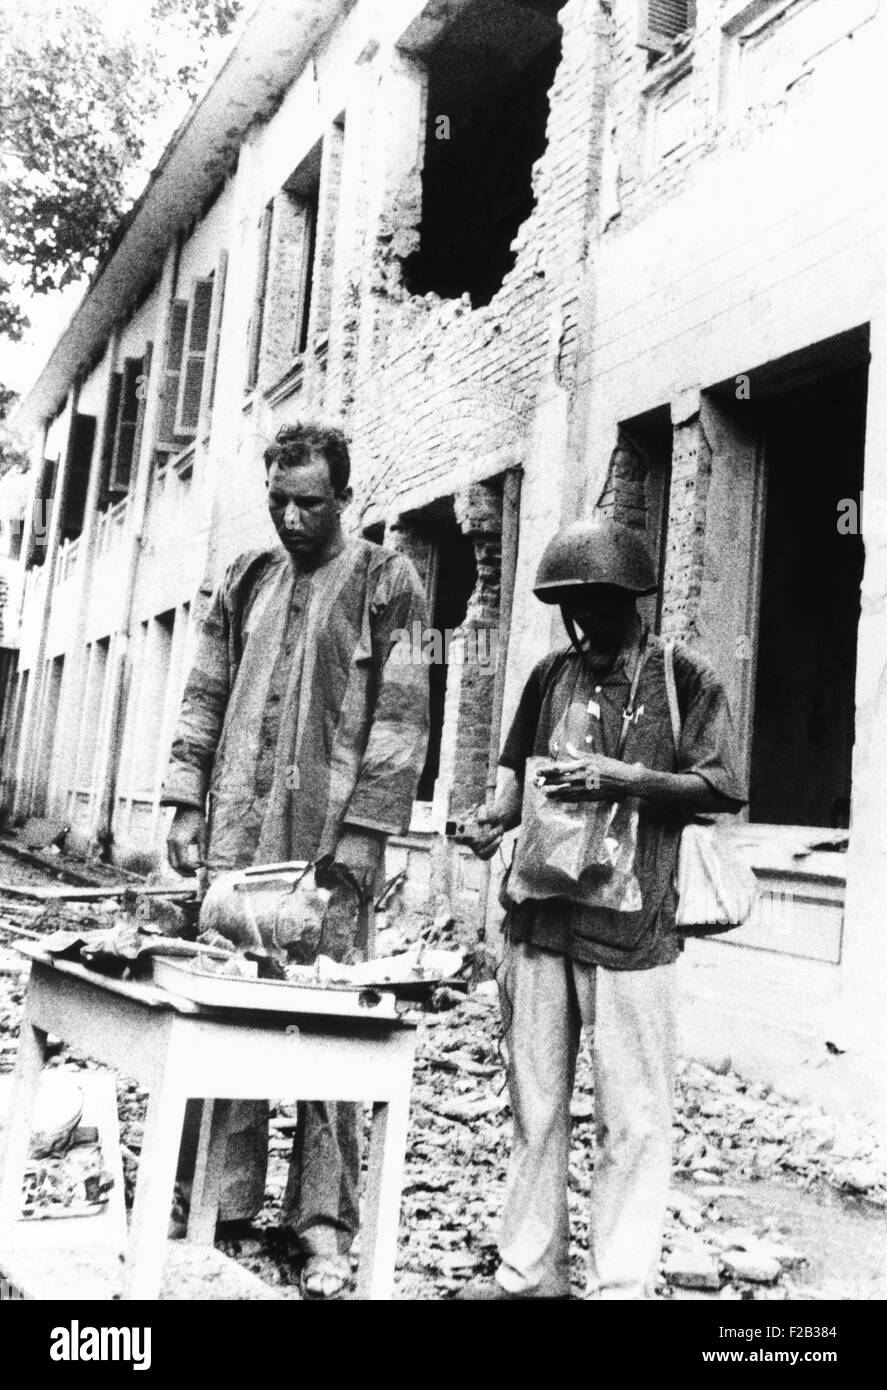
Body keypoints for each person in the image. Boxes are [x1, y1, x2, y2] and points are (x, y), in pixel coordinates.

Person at [162, 419, 429, 1298]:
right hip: (239, 834)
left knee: (329, 1026)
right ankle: (218, 1199)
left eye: (307, 502)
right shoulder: (245, 577)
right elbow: (205, 686)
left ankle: (322, 1226)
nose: (288, 518)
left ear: (343, 497)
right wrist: (183, 800)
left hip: (328, 844)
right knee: (224, 1008)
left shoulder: (391, 581)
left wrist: (364, 833)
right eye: (275, 500)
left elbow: (404, 711)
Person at [458, 517, 747, 1300]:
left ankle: (618, 1282)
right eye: (569, 607)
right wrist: (488, 821)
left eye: (595, 605)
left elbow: (721, 785)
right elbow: (514, 777)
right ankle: (527, 1275)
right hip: (540, 921)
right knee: (535, 1106)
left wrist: (626, 780)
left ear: (628, 601)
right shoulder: (549, 674)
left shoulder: (684, 678)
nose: (582, 622)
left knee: (633, 1116)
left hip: (633, 930)